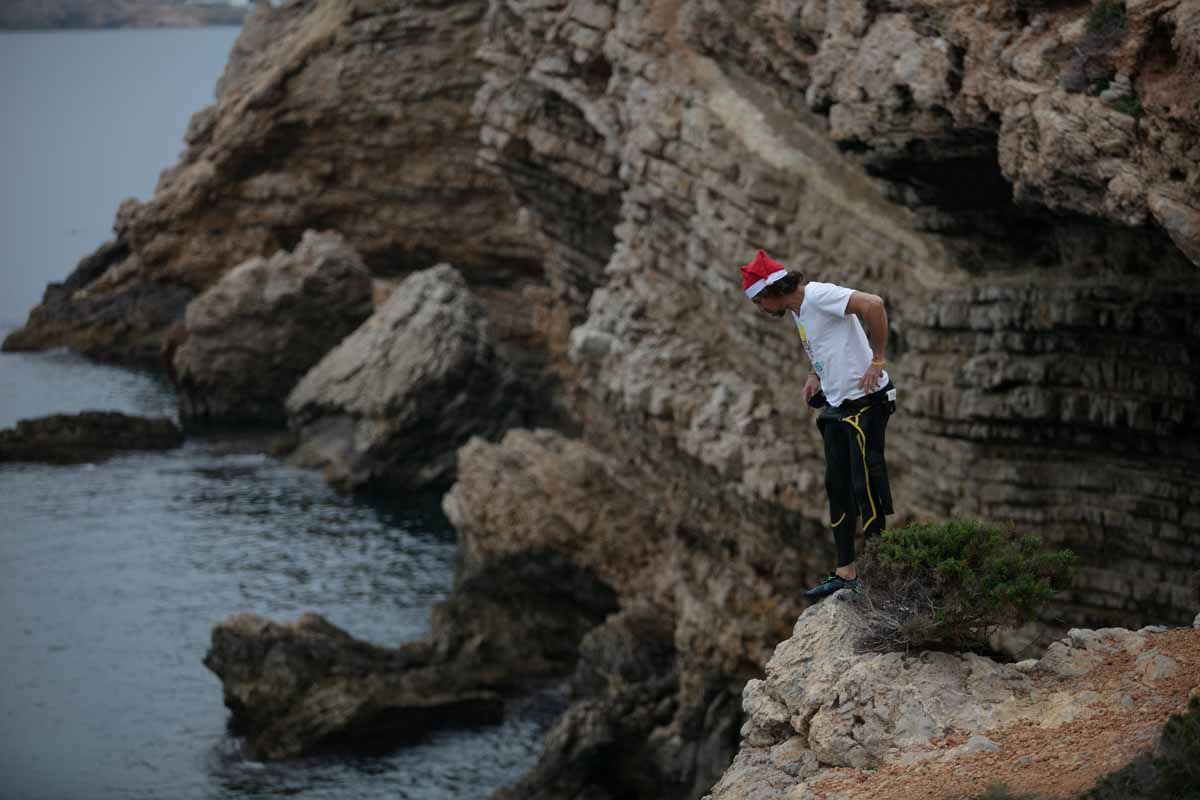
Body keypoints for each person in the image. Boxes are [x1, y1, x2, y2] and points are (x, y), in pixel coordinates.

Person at [739, 250, 897, 601]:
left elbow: (874, 303)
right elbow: (821, 344)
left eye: (759, 304)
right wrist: (814, 374)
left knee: (866, 486)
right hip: (837, 404)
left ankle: (881, 577)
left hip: (865, 402)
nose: (762, 311)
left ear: (769, 295)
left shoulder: (819, 295)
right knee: (837, 486)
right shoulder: (798, 310)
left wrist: (878, 359)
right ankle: (846, 573)